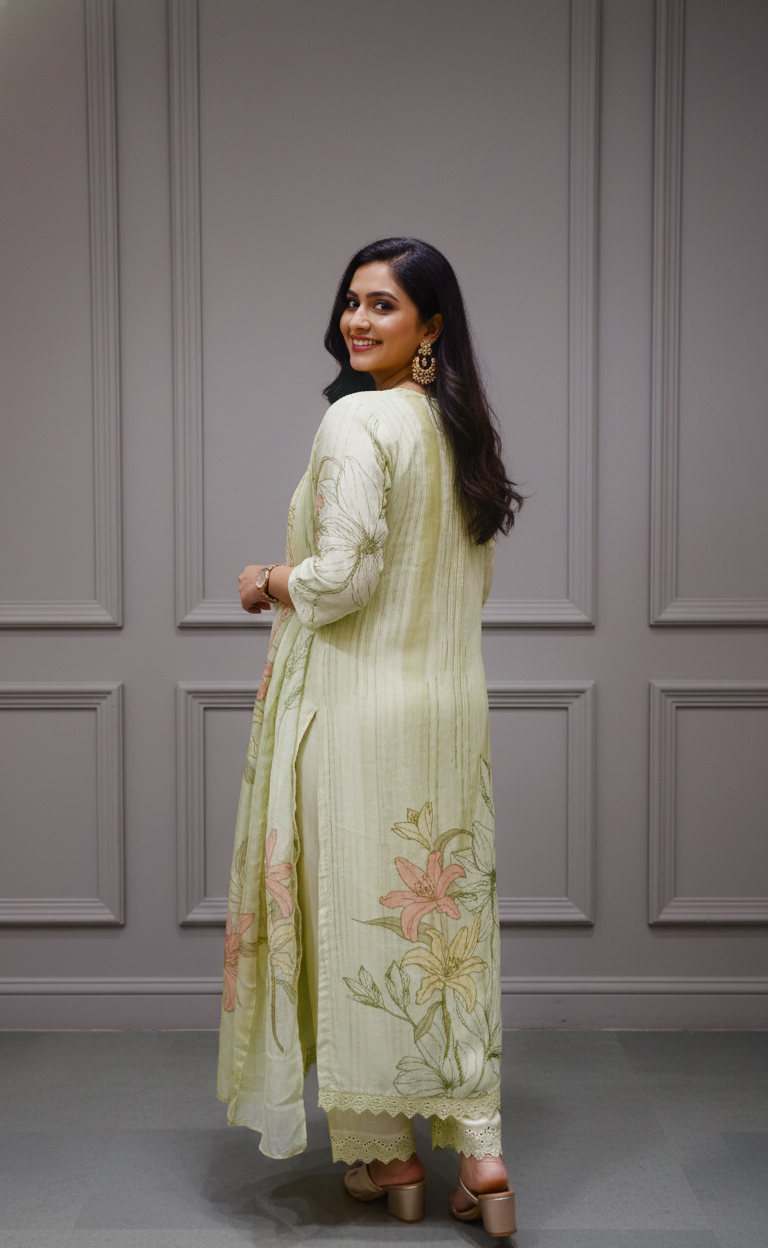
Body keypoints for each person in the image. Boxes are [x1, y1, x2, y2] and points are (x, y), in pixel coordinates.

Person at [217, 237, 523, 1236]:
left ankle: (390, 1158)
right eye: (352, 300)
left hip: (358, 714)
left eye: (383, 305)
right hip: (446, 714)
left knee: (362, 925)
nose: (357, 319)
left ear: (429, 326)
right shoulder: (461, 433)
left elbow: (344, 581)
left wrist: (268, 580)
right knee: (445, 937)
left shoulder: (358, 419)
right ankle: (482, 1157)